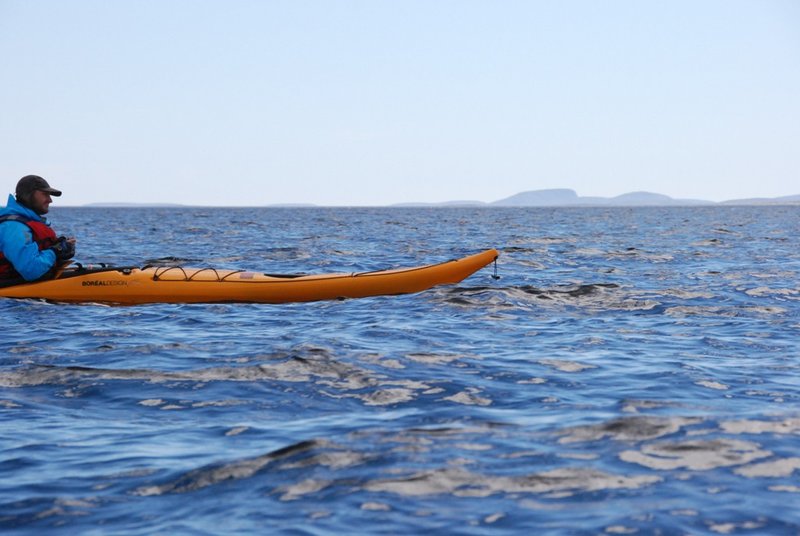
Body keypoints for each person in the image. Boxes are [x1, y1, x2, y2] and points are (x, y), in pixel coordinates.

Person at [0, 175, 76, 281]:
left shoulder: (23, 223)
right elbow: (31, 270)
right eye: (45, 194)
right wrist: (56, 250)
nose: (50, 200)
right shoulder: (14, 227)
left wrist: (61, 249)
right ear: (28, 195)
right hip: (10, 293)